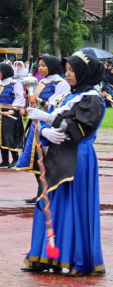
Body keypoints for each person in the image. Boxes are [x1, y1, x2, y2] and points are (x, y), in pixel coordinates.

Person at [22, 51, 106, 275]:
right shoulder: (69, 95)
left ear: (85, 73)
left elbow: (80, 127)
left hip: (78, 156)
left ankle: (76, 259)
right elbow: (58, 121)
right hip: (58, 154)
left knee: (73, 206)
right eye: (67, 70)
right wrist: (47, 130)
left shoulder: (92, 98)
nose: (67, 74)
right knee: (52, 203)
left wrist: (47, 120)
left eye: (72, 70)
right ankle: (47, 256)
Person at [15, 55, 70, 204]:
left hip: (48, 125)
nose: (40, 68)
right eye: (39, 65)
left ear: (52, 66)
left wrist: (36, 99)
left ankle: (48, 192)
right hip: (35, 125)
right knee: (36, 160)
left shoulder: (60, 83)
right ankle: (41, 191)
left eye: (43, 65)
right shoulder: (39, 82)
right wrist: (26, 110)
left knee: (47, 159)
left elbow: (56, 107)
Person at [0, 63, 25, 167]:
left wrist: (13, 110)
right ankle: (4, 160)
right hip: (1, 114)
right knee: (1, 138)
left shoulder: (14, 84)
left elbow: (20, 98)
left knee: (11, 136)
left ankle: (15, 159)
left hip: (10, 114)